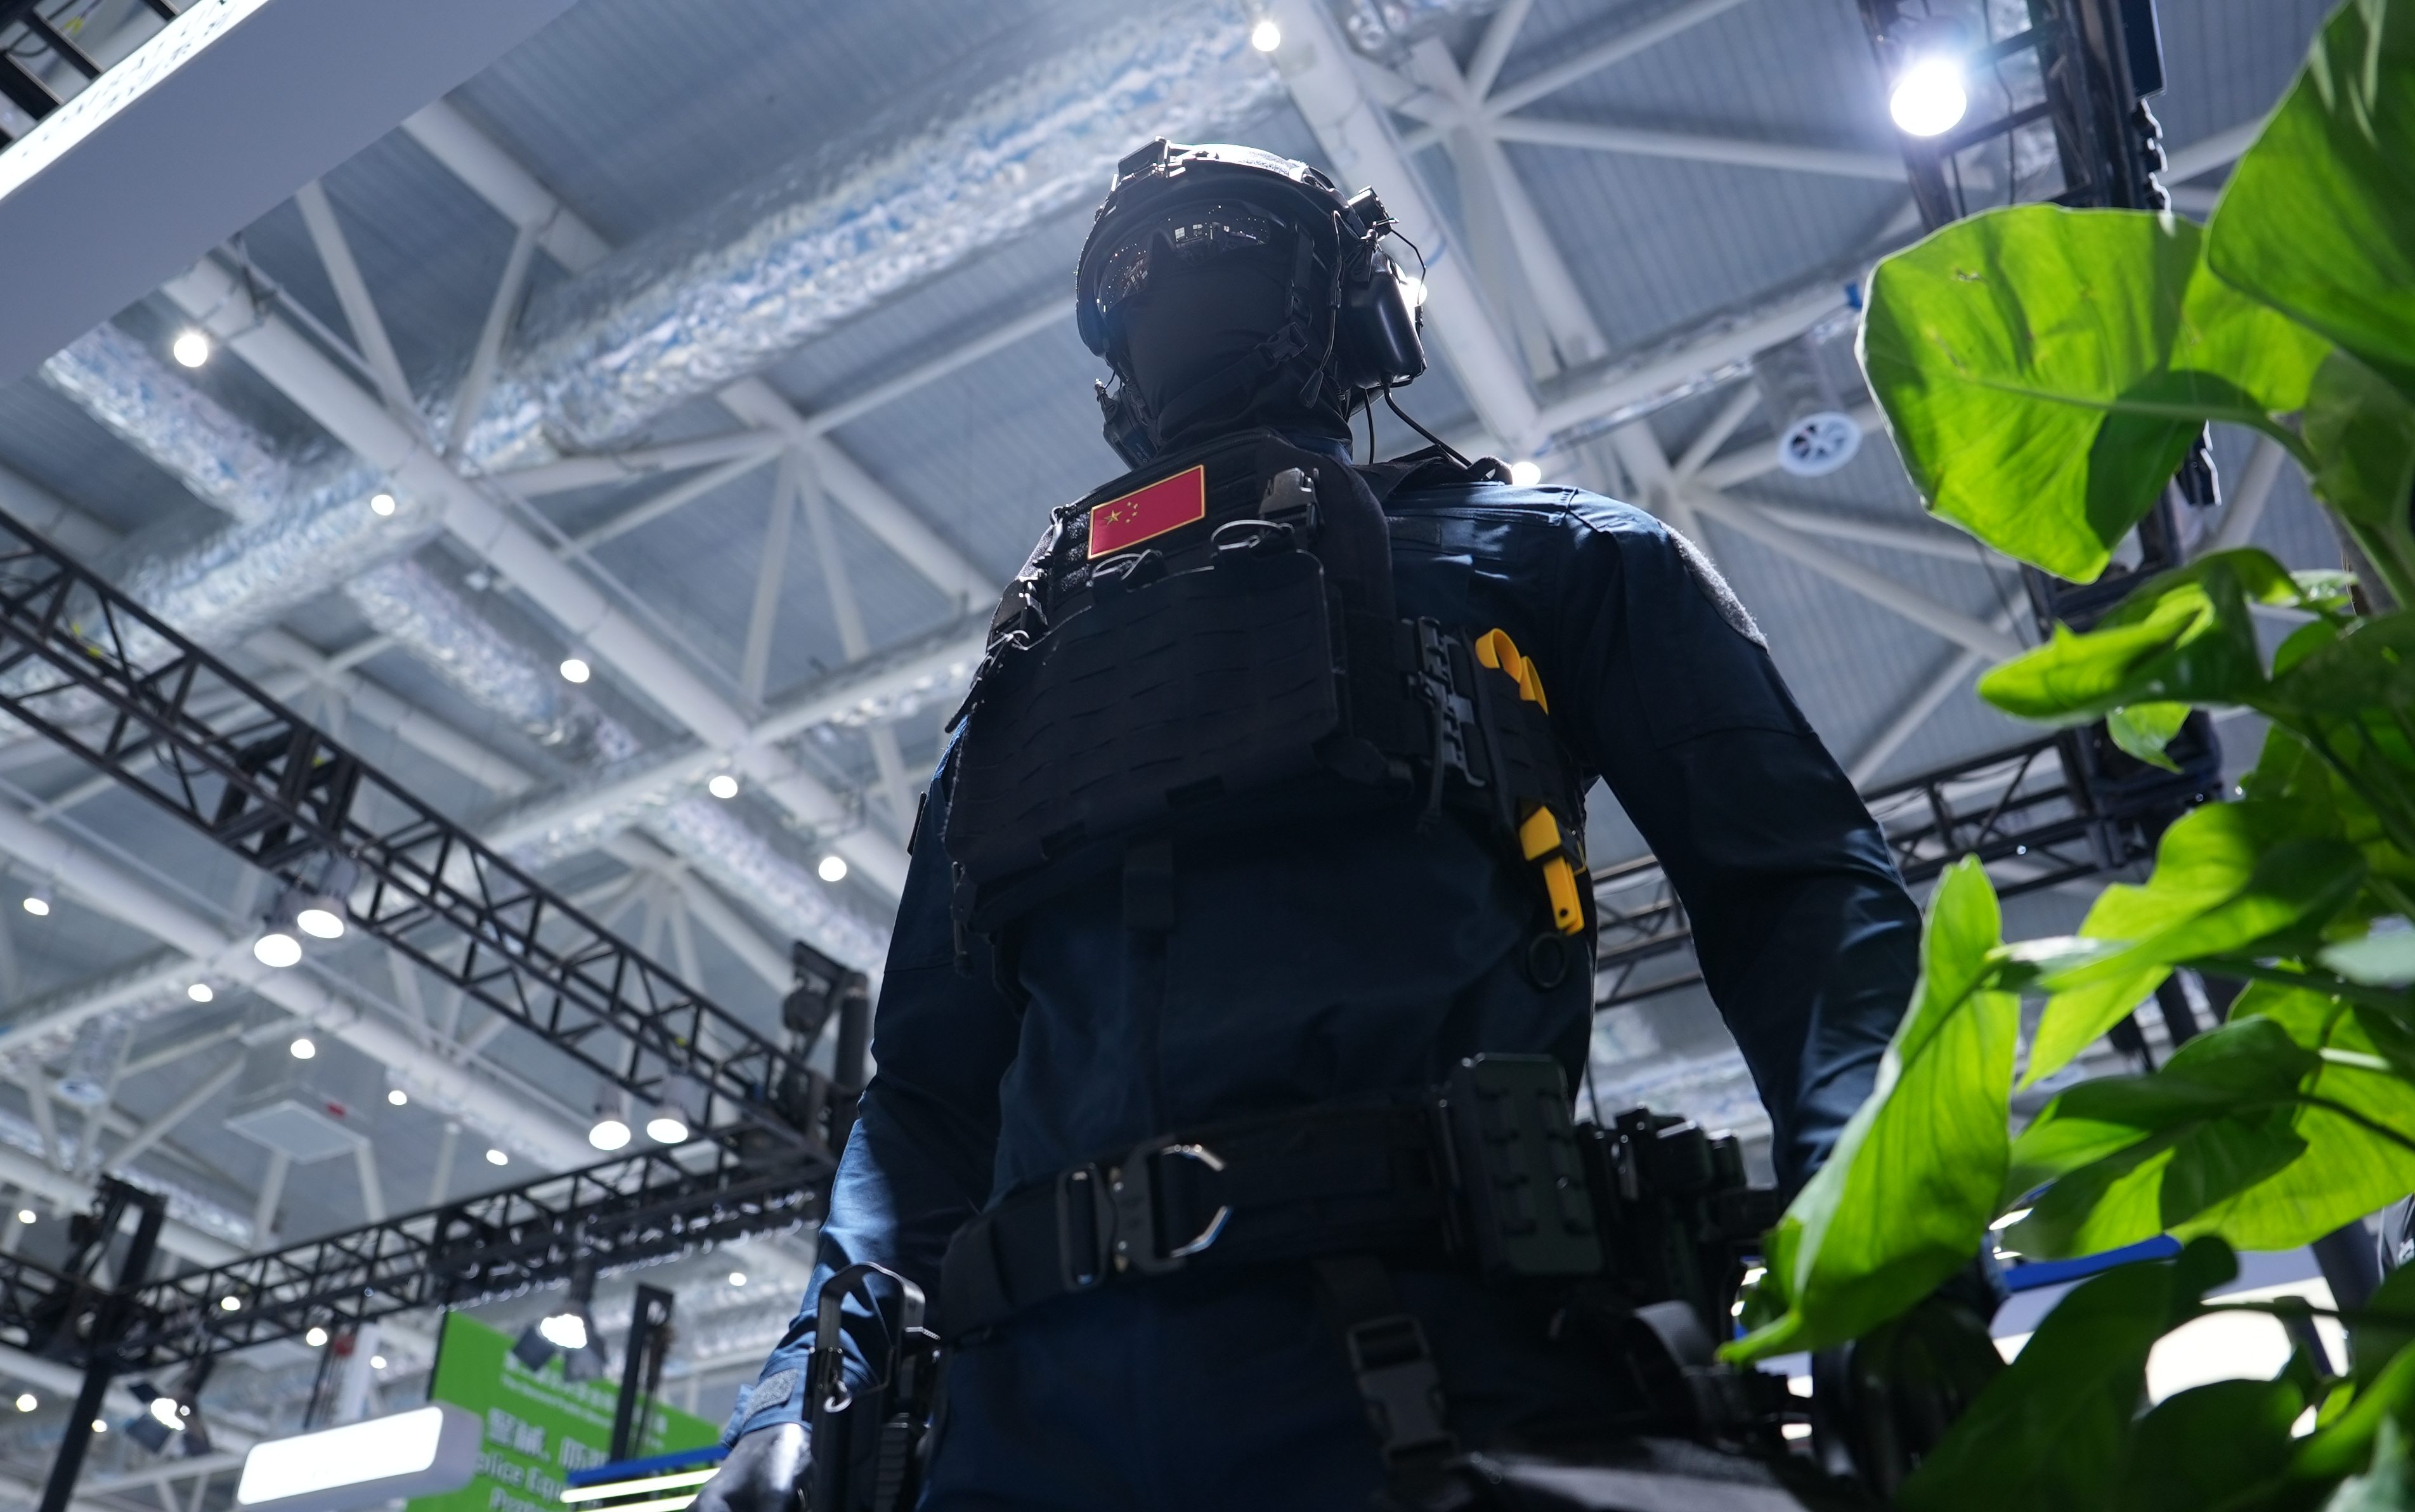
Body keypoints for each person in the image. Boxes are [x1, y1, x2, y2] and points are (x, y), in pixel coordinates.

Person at [695, 141, 1918, 1512]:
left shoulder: (1552, 552)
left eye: (1222, 238)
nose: (1175, 278)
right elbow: (924, 1093)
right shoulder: (1016, 688)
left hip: (1448, 1366)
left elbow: (1801, 894)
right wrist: (806, 1386)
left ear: (1359, 314)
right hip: (1022, 1416)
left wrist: (1890, 1249)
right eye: (1137, 269)